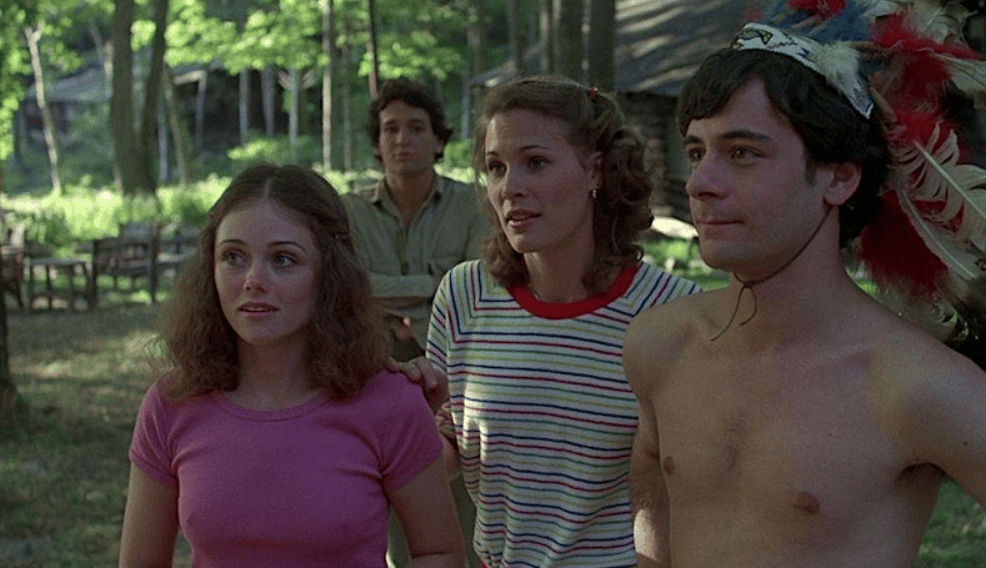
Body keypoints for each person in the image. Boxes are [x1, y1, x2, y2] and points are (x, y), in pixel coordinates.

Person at [625, 4, 986, 567]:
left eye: (742, 153)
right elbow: (653, 507)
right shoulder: (660, 346)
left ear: (839, 177)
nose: (700, 182)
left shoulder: (914, 387)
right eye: (696, 152)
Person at [117, 164, 466, 568]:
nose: (253, 280)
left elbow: (440, 553)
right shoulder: (170, 405)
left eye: (283, 259)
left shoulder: (390, 401)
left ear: (330, 273)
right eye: (233, 256)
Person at [424, 76, 700, 567]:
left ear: (597, 170)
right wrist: (387, 422)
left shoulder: (672, 312)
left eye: (535, 162)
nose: (510, 188)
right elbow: (447, 451)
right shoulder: (464, 295)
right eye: (496, 167)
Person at [343, 77, 489, 362]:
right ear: (377, 144)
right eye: (391, 129)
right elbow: (349, 288)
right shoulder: (351, 210)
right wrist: (434, 285)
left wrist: (417, 327)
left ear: (438, 141)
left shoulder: (474, 204)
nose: (402, 139)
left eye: (416, 128)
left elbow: (479, 290)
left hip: (455, 362)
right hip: (369, 363)